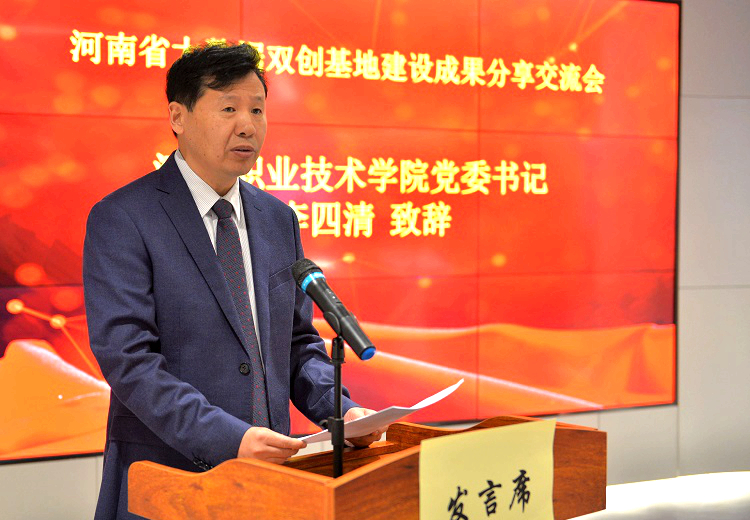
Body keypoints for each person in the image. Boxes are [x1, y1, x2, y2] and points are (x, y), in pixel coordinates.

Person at [83, 42, 383, 520]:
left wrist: (342, 412)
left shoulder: (277, 219)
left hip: (271, 483)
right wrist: (229, 438)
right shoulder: (124, 217)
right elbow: (129, 360)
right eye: (229, 109)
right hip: (169, 481)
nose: (247, 125)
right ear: (178, 117)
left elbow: (296, 345)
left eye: (257, 110)